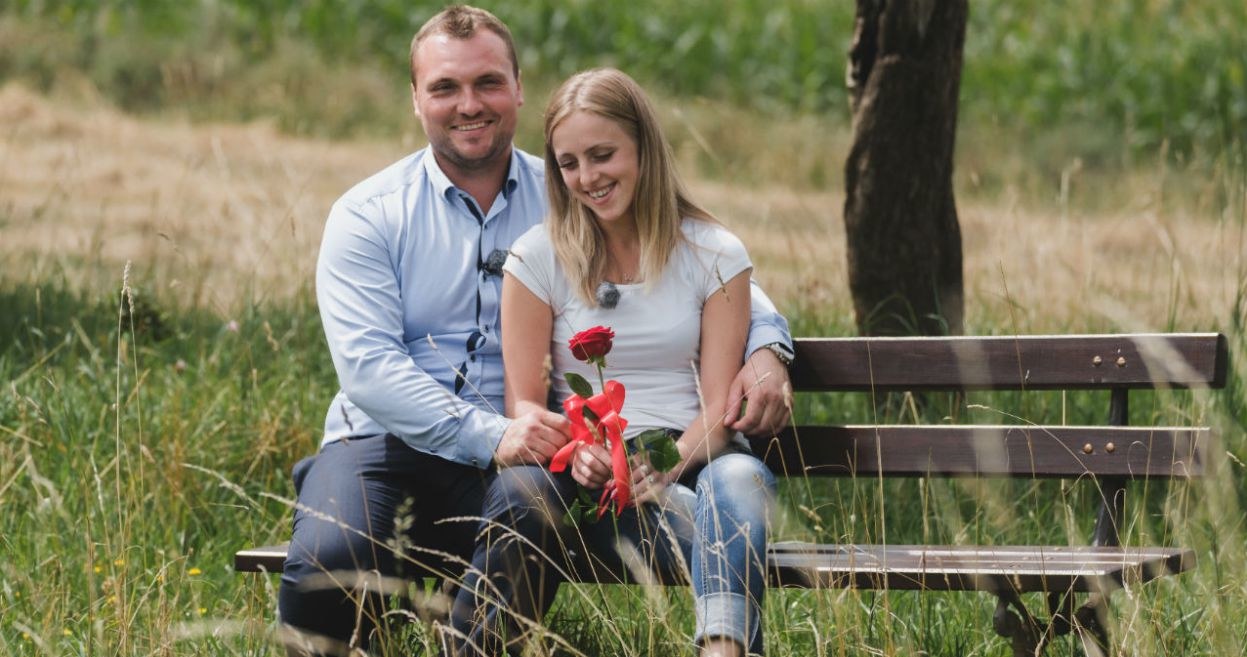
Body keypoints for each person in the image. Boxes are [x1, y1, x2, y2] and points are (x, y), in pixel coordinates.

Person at [279, 5, 795, 656]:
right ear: (416, 99)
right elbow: (369, 371)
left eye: (487, 82)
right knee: (330, 559)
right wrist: (496, 434)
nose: (469, 104)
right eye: (444, 87)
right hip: (386, 441)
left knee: (529, 504)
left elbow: (702, 270)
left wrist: (769, 347)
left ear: (518, 88)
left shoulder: (569, 190)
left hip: (524, 455)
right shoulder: (368, 214)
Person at [450, 68, 777, 657]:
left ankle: (723, 651)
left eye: (603, 156)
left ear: (644, 148)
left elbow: (719, 410)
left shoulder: (713, 253)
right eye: (569, 164)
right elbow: (524, 405)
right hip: (588, 488)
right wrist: (582, 456)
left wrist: (663, 465)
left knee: (740, 477)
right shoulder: (537, 258)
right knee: (523, 493)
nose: (588, 179)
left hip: (694, 475)